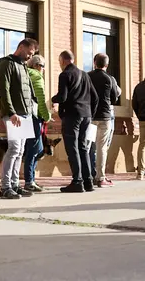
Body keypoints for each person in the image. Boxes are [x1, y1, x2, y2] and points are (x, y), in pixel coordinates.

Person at [0, 38, 39, 199]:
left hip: (26, 114)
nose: (30, 57)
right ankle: (5, 187)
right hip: (14, 114)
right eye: (29, 53)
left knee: (20, 151)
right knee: (14, 148)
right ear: (21, 47)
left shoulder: (23, 66)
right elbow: (4, 90)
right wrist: (11, 112)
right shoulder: (7, 64)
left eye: (32, 54)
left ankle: (15, 184)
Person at [52, 50, 98, 193]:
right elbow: (95, 97)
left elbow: (63, 97)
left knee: (72, 149)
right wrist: (90, 114)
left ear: (63, 61)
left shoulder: (65, 74)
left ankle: (77, 182)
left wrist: (53, 100)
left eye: (60, 62)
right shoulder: (84, 74)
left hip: (72, 116)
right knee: (83, 147)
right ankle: (88, 181)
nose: (60, 65)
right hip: (86, 115)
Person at [87, 53, 121, 187]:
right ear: (107, 65)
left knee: (88, 147)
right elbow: (115, 97)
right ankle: (100, 177)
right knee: (102, 148)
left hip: (90, 116)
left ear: (94, 62)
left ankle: (87, 175)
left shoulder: (87, 76)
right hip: (105, 116)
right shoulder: (110, 78)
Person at [24, 54, 51, 192]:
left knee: (37, 149)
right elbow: (40, 97)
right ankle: (29, 181)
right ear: (36, 65)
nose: (44, 69)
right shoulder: (36, 76)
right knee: (33, 150)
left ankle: (31, 179)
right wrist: (47, 115)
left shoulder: (27, 73)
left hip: (28, 115)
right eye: (43, 66)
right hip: (34, 116)